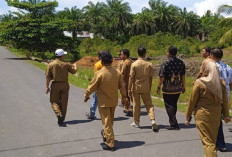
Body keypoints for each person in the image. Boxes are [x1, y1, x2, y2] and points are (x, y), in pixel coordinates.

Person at [186, 59, 230, 157]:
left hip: (203, 116)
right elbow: (225, 101)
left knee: (208, 143)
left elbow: (192, 101)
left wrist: (188, 115)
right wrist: (226, 115)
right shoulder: (221, 82)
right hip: (216, 115)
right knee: (212, 141)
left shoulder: (199, 83)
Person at [84, 51, 126, 151]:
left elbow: (92, 86)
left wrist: (86, 95)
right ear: (111, 61)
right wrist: (124, 98)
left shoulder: (99, 73)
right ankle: (107, 135)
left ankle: (110, 144)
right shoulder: (117, 73)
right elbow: (122, 87)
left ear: (101, 61)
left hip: (103, 102)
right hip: (113, 101)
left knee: (107, 122)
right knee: (110, 121)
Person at [128, 46, 159, 132]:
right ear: (145, 54)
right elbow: (150, 77)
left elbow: (131, 77)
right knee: (149, 104)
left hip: (136, 87)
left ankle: (136, 121)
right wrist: (149, 86)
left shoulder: (134, 64)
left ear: (138, 53)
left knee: (136, 105)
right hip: (145, 86)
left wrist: (129, 89)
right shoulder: (149, 64)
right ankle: (152, 120)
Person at [45, 49, 77, 125]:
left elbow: (48, 77)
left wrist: (47, 87)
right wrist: (75, 66)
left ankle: (59, 114)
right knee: (64, 102)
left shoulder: (51, 64)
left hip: (55, 84)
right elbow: (74, 71)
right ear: (62, 55)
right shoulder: (66, 64)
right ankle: (62, 117)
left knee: (54, 101)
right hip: (65, 85)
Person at [157, 46, 185, 130]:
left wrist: (159, 86)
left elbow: (162, 77)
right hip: (177, 87)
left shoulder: (165, 63)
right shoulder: (181, 62)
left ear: (169, 53)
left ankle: (174, 124)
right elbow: (183, 75)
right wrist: (183, 86)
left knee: (168, 105)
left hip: (168, 88)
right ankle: (173, 121)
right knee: (174, 104)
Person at [210, 47, 232, 152]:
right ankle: (217, 141)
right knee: (218, 119)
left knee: (216, 120)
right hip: (225, 97)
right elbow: (230, 84)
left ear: (212, 56)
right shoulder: (228, 67)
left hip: (215, 98)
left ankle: (220, 143)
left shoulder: (213, 67)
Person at [85, 50, 103, 120]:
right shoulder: (107, 64)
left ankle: (92, 114)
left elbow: (96, 76)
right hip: (106, 84)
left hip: (98, 84)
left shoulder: (97, 65)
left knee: (95, 99)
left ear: (98, 57)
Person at [119, 49, 133, 116]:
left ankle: (128, 109)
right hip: (130, 81)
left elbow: (122, 72)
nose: (120, 55)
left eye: (121, 54)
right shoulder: (130, 61)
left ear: (125, 55)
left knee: (126, 95)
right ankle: (127, 108)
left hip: (125, 81)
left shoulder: (125, 62)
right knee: (128, 95)